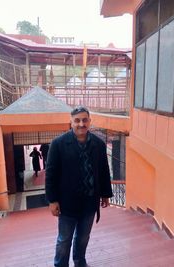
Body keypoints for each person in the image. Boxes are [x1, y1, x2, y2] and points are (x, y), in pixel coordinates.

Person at [45, 106, 113, 267]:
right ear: (71, 122)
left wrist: (105, 194)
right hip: (67, 203)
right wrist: (52, 200)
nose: (81, 124)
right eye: (77, 120)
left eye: (84, 120)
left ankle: (79, 261)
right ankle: (60, 264)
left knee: (83, 237)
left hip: (90, 202)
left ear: (89, 121)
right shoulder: (58, 144)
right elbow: (50, 174)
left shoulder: (98, 144)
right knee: (64, 239)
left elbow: (103, 170)